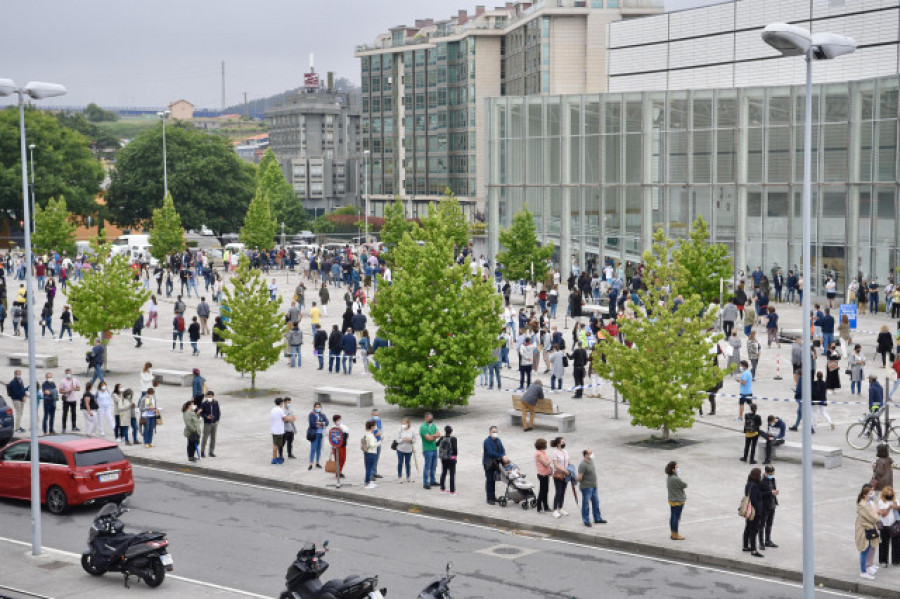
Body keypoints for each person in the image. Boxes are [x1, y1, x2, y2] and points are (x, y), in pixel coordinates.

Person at [856, 484, 881, 579]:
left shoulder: (867, 503)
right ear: (864, 494)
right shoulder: (863, 505)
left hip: (869, 529)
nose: (871, 494)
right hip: (864, 531)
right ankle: (863, 571)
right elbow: (873, 517)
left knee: (869, 548)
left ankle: (867, 568)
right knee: (864, 550)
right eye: (869, 493)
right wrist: (877, 516)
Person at [577, 449, 605, 527]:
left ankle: (597, 518)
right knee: (586, 504)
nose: (592, 455)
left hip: (594, 486)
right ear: (586, 455)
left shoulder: (591, 462)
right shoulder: (582, 465)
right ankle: (586, 520)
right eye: (590, 453)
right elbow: (579, 477)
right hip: (586, 487)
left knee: (596, 502)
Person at [743, 468, 764, 557]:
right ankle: (753, 550)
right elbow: (755, 500)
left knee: (748, 527)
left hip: (748, 510)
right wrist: (758, 511)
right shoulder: (755, 486)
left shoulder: (748, 484)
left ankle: (745, 546)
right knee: (754, 530)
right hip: (754, 511)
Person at [876, 486, 900, 568]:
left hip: (895, 525)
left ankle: (896, 561)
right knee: (883, 544)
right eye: (887, 493)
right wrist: (889, 508)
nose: (889, 494)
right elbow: (883, 514)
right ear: (884, 494)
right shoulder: (881, 502)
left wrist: (897, 507)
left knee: (896, 543)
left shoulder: (896, 501)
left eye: (891, 493)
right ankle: (883, 561)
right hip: (884, 525)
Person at [482, 425, 505, 505]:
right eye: (493, 432)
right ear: (490, 432)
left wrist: (503, 455)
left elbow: (502, 450)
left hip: (496, 463)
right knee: (489, 480)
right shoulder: (486, 441)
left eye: (496, 432)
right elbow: (490, 452)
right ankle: (489, 498)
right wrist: (500, 455)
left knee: (493, 480)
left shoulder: (498, 440)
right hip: (488, 463)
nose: (495, 433)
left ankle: (493, 497)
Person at [758, 465, 780, 549]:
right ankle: (761, 543)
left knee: (769, 524)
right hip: (764, 506)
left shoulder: (772, 479)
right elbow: (760, 495)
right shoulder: (761, 481)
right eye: (771, 473)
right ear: (766, 472)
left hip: (772, 505)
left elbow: (773, 489)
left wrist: (774, 492)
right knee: (762, 525)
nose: (772, 475)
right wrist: (771, 493)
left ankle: (768, 541)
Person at [665, 461, 687, 540]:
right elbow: (684, 485)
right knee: (676, 518)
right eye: (677, 467)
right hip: (678, 500)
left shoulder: (669, 477)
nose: (678, 469)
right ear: (673, 469)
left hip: (672, 499)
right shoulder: (675, 478)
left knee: (672, 516)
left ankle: (673, 533)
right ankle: (675, 534)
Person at [550, 437, 570, 518]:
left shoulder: (565, 451)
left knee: (563, 492)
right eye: (562, 442)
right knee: (558, 492)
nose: (564, 443)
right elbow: (555, 464)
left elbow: (569, 460)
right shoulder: (555, 453)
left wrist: (570, 468)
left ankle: (560, 508)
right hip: (558, 475)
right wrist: (564, 470)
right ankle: (555, 510)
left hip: (566, 475)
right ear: (558, 444)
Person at [420, 413, 440, 489]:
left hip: (434, 448)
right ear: (426, 418)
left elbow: (439, 434)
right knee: (427, 466)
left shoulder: (433, 425)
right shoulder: (423, 427)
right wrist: (434, 436)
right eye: (431, 417)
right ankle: (425, 482)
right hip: (427, 450)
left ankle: (432, 481)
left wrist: (432, 436)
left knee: (434, 466)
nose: (432, 419)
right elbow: (428, 439)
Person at [270, 398, 293, 465]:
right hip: (278, 431)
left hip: (274, 429)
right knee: (276, 445)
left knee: (275, 445)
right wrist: (292, 418)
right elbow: (285, 419)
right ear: (281, 403)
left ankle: (275, 458)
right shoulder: (280, 410)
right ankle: (274, 459)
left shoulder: (273, 409)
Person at [307, 402, 329, 470]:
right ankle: (311, 463)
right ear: (314, 407)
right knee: (313, 448)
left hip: (320, 434)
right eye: (316, 407)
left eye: (319, 407)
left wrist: (321, 423)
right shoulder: (311, 414)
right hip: (314, 434)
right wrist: (320, 424)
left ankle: (317, 462)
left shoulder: (322, 415)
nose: (318, 408)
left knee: (319, 449)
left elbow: (327, 422)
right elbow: (312, 424)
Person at [199, 391, 221, 458]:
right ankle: (202, 452)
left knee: (213, 438)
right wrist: (206, 416)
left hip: (214, 423)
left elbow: (218, 412)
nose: (209, 398)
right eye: (208, 396)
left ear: (213, 396)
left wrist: (217, 420)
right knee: (205, 438)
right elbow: (201, 413)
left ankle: (211, 452)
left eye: (210, 396)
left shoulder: (215, 403)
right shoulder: (204, 404)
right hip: (207, 423)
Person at [438, 425, 458, 494]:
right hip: (451, 457)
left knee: (444, 472)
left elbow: (436, 444)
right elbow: (455, 449)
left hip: (443, 458)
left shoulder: (442, 438)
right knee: (452, 474)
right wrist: (455, 456)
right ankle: (452, 491)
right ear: (451, 431)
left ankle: (442, 488)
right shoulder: (453, 439)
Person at [395, 418, 416, 483]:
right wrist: (403, 439)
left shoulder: (412, 430)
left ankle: (408, 477)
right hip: (400, 449)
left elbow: (414, 439)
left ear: (408, 423)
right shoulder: (399, 430)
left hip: (409, 449)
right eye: (402, 423)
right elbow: (397, 440)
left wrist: (411, 440)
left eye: (404, 423)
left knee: (408, 463)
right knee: (400, 463)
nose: (403, 425)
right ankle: (400, 477)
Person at [534, 438, 552, 513]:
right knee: (542, 491)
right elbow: (546, 463)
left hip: (546, 474)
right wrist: (550, 460)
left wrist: (548, 461)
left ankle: (546, 507)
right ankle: (539, 507)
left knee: (546, 491)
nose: (546, 446)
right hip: (542, 474)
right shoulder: (538, 453)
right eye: (545, 444)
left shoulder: (543, 452)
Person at [362, 419, 381, 489]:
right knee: (369, 469)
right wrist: (380, 441)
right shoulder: (370, 435)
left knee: (368, 468)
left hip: (366, 453)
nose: (375, 427)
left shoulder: (366, 434)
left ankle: (368, 482)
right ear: (372, 427)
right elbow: (372, 445)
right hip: (371, 453)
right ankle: (367, 483)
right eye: (375, 425)